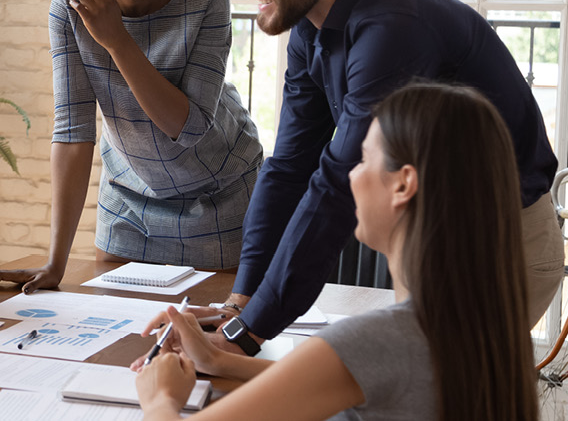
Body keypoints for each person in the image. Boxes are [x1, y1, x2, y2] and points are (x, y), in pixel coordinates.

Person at [207, 0, 562, 349]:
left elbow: (335, 185)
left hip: (498, 245)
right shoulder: (311, 28)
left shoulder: (391, 31)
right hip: (431, 238)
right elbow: (290, 167)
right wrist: (240, 304)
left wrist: (245, 335)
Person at [135, 82, 539, 421]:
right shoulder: (476, 328)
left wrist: (161, 398)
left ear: (403, 185)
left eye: (364, 158)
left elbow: (362, 360)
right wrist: (220, 361)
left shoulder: (378, 339)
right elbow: (356, 376)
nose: (351, 175)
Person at [0, 0, 263, 293]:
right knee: (116, 346)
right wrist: (55, 264)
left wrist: (116, 39)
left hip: (222, 199)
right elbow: (73, 133)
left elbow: (186, 127)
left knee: (208, 346)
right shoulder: (68, 7)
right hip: (130, 204)